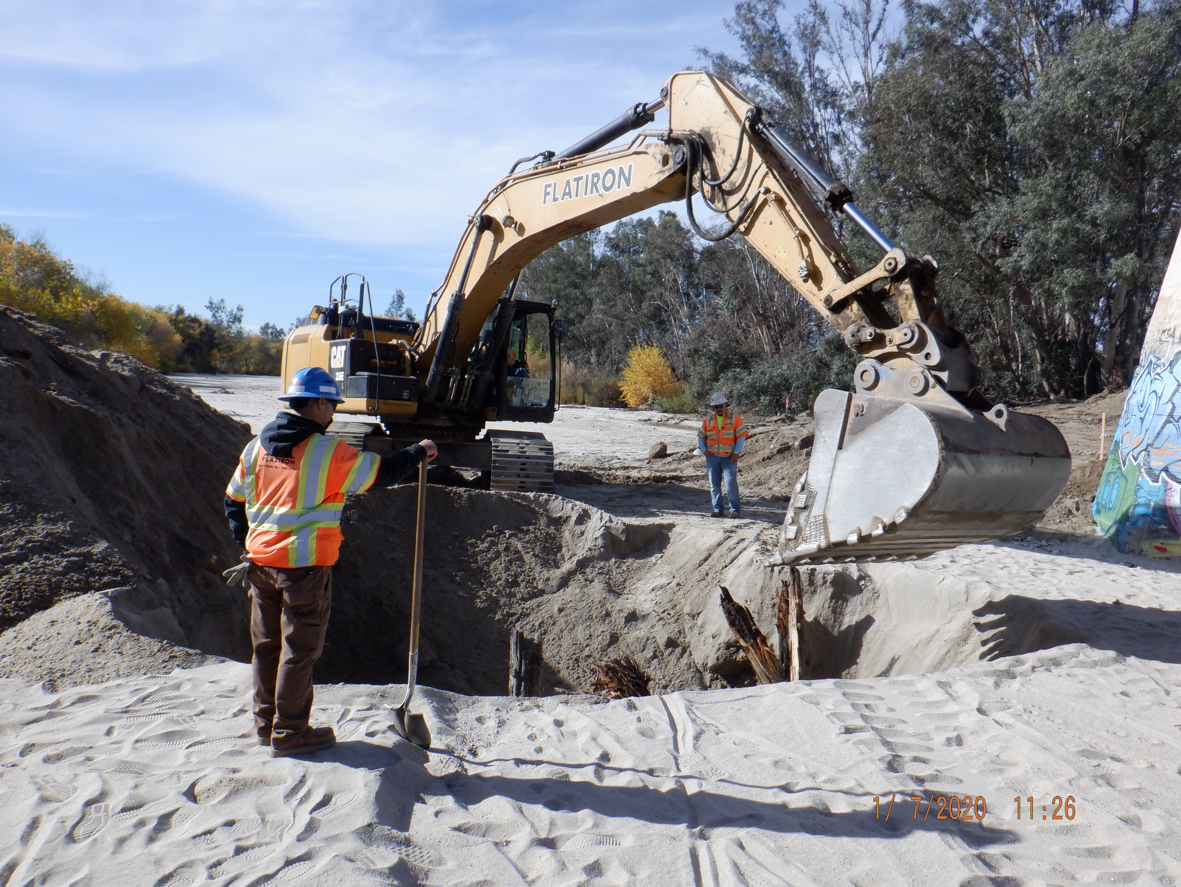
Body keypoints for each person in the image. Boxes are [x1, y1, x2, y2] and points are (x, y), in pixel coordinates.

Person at [223, 366, 437, 757]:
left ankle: (265, 723)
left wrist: (250, 543)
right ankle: (290, 732)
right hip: (303, 570)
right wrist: (418, 452)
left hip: (260, 566)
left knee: (268, 646)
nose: (334, 414)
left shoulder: (256, 446)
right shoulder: (325, 450)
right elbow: (379, 474)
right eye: (332, 406)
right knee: (298, 650)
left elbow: (233, 501)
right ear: (319, 402)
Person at [698, 391, 748, 518]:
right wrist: (704, 450)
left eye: (721, 406)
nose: (719, 409)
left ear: (726, 405)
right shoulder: (708, 420)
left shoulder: (735, 419)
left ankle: (734, 510)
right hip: (712, 458)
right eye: (716, 407)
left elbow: (741, 437)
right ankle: (717, 508)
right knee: (714, 485)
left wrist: (736, 453)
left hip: (729, 458)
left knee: (730, 484)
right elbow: (700, 436)